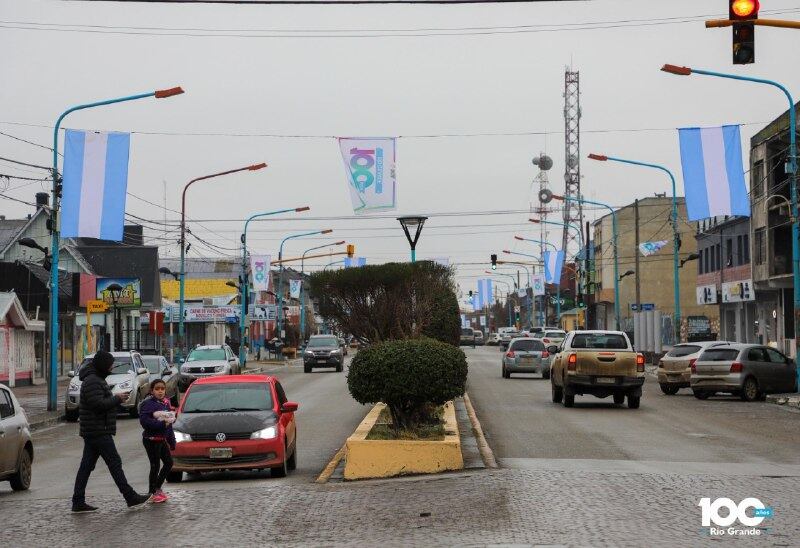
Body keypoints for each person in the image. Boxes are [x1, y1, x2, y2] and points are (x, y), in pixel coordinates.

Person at [72, 350, 150, 513]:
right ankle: (130, 497)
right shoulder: (93, 381)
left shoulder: (96, 379)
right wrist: (116, 398)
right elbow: (98, 404)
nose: (111, 367)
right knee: (114, 463)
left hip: (95, 430)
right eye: (110, 364)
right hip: (98, 430)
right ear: (102, 365)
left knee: (86, 467)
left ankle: (78, 500)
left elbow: (100, 401)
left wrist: (116, 398)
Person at [139, 379, 176, 503]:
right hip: (151, 440)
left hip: (162, 439)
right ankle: (152, 492)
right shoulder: (147, 404)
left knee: (169, 463)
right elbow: (145, 422)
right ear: (152, 390)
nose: (160, 391)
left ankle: (157, 488)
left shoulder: (166, 403)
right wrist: (161, 424)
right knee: (155, 465)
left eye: (162, 389)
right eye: (157, 389)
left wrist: (172, 441)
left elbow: (169, 424)